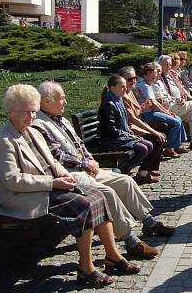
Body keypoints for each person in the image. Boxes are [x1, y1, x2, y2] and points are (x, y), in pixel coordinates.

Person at [0, 84, 140, 287]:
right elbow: (13, 181)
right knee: (83, 205)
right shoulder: (5, 141)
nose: (32, 116)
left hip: (49, 186)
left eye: (34, 111)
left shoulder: (32, 132)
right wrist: (53, 183)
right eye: (26, 112)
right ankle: (86, 269)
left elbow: (53, 163)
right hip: (25, 196)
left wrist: (66, 178)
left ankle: (112, 256)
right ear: (11, 111)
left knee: (98, 195)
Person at [32, 81, 174, 259]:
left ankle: (149, 222)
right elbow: (56, 156)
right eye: (61, 98)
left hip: (85, 167)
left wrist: (90, 159)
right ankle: (131, 241)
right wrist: (85, 164)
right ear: (46, 102)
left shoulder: (61, 119)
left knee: (125, 181)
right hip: (70, 173)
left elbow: (79, 144)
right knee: (107, 193)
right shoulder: (39, 125)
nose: (65, 102)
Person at [118, 66, 189, 158]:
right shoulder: (135, 89)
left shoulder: (132, 91)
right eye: (130, 79)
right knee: (168, 129)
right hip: (134, 125)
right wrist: (156, 129)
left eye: (134, 78)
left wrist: (143, 107)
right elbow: (133, 117)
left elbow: (137, 111)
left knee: (175, 121)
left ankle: (175, 146)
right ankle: (168, 150)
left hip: (141, 118)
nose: (133, 81)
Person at [97, 75, 162, 176]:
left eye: (125, 86)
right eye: (122, 87)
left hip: (120, 135)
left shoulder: (118, 100)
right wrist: (128, 135)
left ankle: (141, 173)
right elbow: (110, 129)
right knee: (143, 148)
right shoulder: (109, 104)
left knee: (149, 144)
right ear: (113, 88)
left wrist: (129, 134)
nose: (125, 89)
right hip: (111, 139)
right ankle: (123, 173)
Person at [155, 57, 192, 149]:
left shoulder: (172, 75)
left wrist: (182, 97)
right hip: (169, 107)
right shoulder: (159, 77)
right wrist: (177, 100)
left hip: (179, 105)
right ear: (160, 65)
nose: (169, 67)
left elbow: (181, 88)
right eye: (166, 65)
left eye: (170, 64)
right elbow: (163, 95)